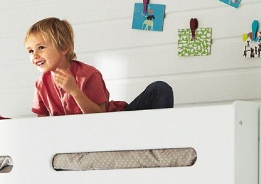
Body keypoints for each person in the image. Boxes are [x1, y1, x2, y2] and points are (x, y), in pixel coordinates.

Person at [25, 17, 173, 116]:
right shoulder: (41, 84)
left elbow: (100, 117)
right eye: (30, 51)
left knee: (159, 88)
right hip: (82, 134)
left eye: (41, 48)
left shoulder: (88, 74)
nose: (35, 55)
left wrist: (75, 91)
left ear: (64, 48)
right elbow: (42, 121)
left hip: (115, 121)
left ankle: (160, 138)